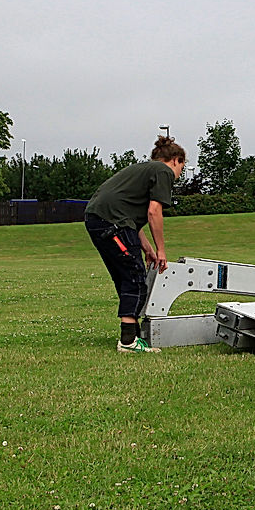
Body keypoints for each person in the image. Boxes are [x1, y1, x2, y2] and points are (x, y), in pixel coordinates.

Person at [84, 135, 185, 353]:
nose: (178, 176)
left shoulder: (142, 170)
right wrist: (161, 250)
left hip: (100, 219)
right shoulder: (163, 171)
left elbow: (130, 218)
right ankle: (128, 342)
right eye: (181, 169)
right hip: (111, 222)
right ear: (176, 160)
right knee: (135, 276)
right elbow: (154, 212)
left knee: (125, 276)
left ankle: (133, 333)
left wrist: (147, 248)